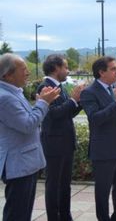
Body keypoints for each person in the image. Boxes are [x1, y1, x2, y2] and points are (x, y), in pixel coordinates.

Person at [0, 53, 60, 221]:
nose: (27, 73)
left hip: (25, 163)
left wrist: (40, 103)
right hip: (18, 165)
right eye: (23, 69)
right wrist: (43, 103)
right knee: (17, 214)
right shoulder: (5, 98)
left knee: (23, 212)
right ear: (8, 75)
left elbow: (26, 119)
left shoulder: (14, 92)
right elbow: (27, 125)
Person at [80, 56, 116, 221]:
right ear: (101, 72)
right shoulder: (89, 93)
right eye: (113, 69)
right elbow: (95, 119)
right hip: (103, 152)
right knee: (102, 193)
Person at [38, 54, 85, 221]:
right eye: (65, 67)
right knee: (54, 185)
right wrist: (73, 99)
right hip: (54, 145)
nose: (67, 70)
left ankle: (65, 216)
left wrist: (78, 101)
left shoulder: (59, 86)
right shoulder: (45, 87)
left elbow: (67, 114)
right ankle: (54, 217)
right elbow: (54, 114)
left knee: (65, 185)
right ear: (56, 68)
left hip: (65, 143)